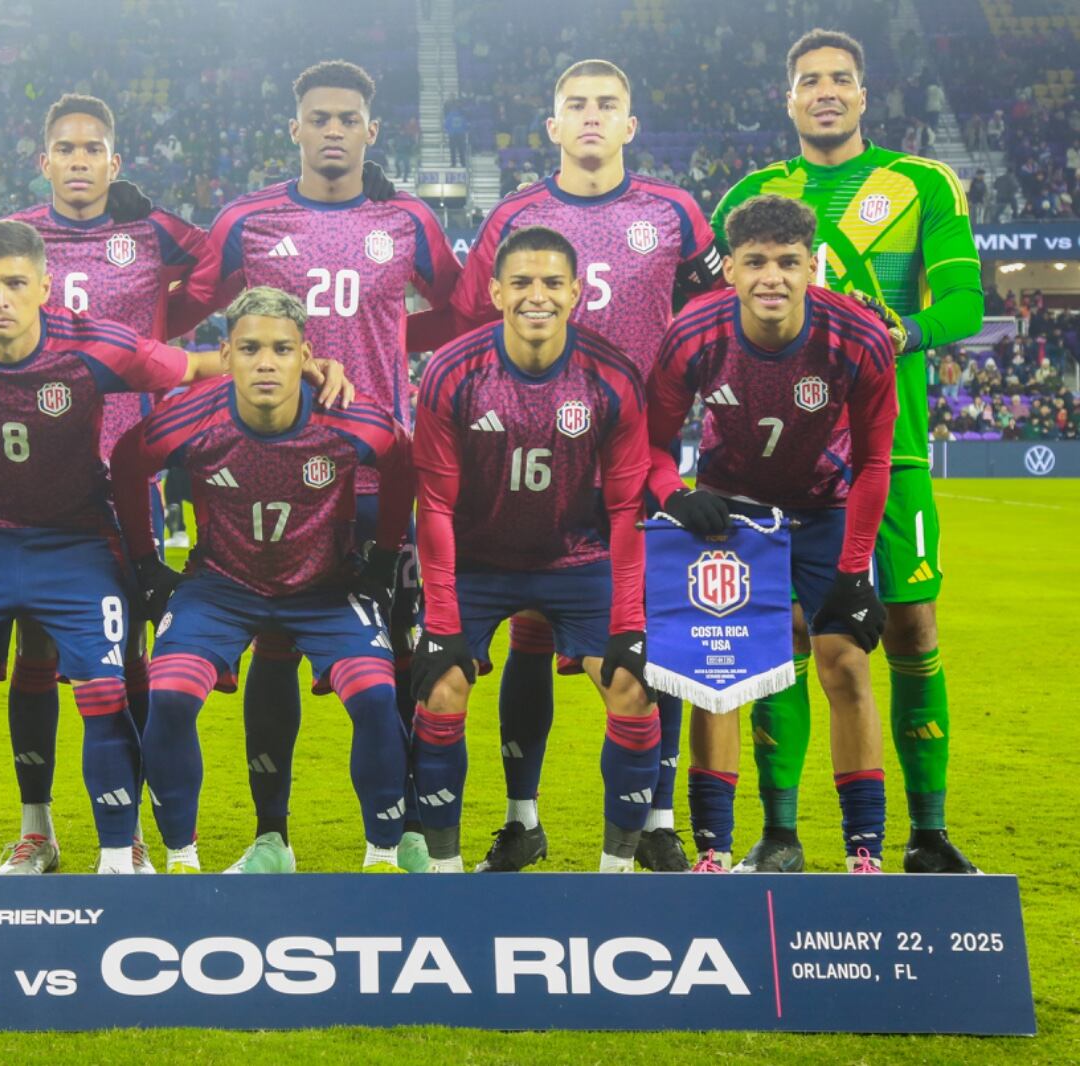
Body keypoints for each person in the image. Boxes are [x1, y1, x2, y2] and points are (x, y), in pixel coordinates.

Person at [0, 222, 351, 875]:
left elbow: (200, 363)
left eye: (15, 283)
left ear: (44, 288)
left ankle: (118, 859)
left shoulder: (94, 347)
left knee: (105, 693)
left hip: (76, 541)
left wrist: (305, 361)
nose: (0, 298)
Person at [409, 58, 724, 874]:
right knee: (528, 639)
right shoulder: (516, 216)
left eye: (607, 104)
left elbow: (717, 315)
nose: (591, 116)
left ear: (630, 123)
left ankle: (655, 821)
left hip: (634, 452)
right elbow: (463, 320)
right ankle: (524, 818)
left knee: (646, 650)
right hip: (522, 448)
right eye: (575, 105)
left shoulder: (678, 213)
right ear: (552, 126)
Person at [711, 29, 983, 874]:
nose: (824, 91)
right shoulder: (753, 193)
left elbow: (966, 304)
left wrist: (897, 328)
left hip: (886, 451)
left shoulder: (921, 184)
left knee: (909, 625)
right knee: (780, 636)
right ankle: (779, 831)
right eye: (808, 81)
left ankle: (928, 834)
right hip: (776, 460)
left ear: (864, 95)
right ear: (788, 99)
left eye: (840, 79)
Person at [181, 60, 460, 873]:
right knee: (272, 642)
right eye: (319, 117)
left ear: (372, 132)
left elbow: (467, 305)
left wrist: (397, 340)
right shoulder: (247, 220)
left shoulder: (406, 220)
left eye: (348, 119)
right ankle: (272, 834)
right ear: (295, 128)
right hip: (270, 475)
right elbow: (184, 309)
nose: (333, 130)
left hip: (380, 475)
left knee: (397, 648)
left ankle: (398, 827)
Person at [113, 286, 412, 873]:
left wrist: (382, 556)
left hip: (326, 591)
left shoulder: (352, 419)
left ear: (307, 356)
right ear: (225, 355)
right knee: (169, 696)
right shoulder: (192, 417)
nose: (266, 362)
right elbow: (126, 463)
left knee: (377, 696)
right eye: (250, 348)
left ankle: (382, 861)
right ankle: (182, 862)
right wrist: (147, 565)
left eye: (282, 348)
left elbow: (403, 464)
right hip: (221, 587)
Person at [647, 194, 897, 874]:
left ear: (811, 265)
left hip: (825, 512)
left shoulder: (858, 337)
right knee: (721, 676)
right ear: (729, 268)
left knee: (845, 663)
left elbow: (877, 461)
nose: (772, 278)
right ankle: (715, 850)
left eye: (788, 262)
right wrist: (677, 494)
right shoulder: (693, 334)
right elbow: (652, 445)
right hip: (732, 515)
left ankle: (863, 849)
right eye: (755, 262)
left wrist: (852, 571)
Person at [0, 92, 209, 875]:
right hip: (32, 474)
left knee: (127, 658)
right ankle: (37, 830)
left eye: (94, 149)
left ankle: (134, 839)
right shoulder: (17, 237)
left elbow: (218, 265)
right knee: (37, 652)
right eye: (67, 148)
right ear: (44, 160)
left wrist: (161, 316)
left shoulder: (146, 232)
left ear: (114, 164)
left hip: (131, 472)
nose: (80, 161)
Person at [411, 225, 653, 873]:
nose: (536, 296)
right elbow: (432, 505)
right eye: (520, 282)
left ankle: (617, 872)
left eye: (552, 282)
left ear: (578, 291)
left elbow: (630, 509)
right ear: (494, 291)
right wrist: (439, 626)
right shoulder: (451, 371)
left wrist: (629, 626)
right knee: (438, 687)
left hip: (578, 561)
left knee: (634, 687)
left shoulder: (612, 376)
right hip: (479, 564)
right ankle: (443, 871)